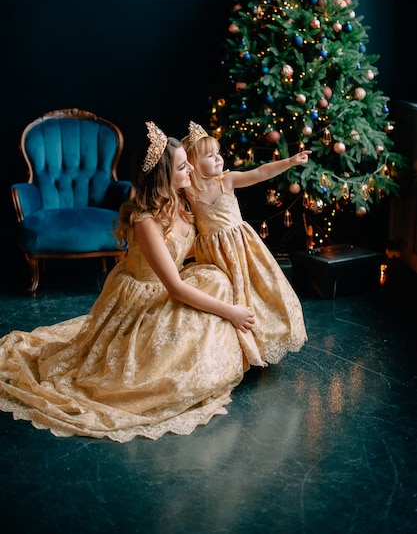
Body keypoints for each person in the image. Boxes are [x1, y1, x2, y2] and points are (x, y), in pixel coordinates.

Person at [0, 122, 256, 442]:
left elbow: (205, 225)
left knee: (217, 280)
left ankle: (208, 347)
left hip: (168, 283)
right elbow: (175, 287)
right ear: (163, 177)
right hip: (143, 296)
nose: (190, 167)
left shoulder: (182, 200)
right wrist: (229, 312)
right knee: (214, 305)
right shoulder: (146, 221)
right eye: (182, 166)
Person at [182, 121, 310, 367]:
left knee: (256, 292)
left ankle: (261, 341)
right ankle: (232, 348)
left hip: (241, 246)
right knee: (228, 295)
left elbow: (260, 173)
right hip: (213, 254)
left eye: (217, 153)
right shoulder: (189, 190)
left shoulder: (226, 181)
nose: (218, 158)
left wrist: (290, 162)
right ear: (193, 164)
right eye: (209, 155)